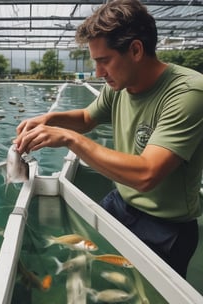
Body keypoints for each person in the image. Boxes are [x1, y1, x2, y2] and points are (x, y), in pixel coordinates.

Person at [14, 0, 203, 279]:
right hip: (120, 201)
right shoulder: (121, 84)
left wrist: (69, 139)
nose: (99, 73)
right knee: (92, 268)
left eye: (104, 61)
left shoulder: (188, 92)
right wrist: (49, 120)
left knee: (146, 294)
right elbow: (88, 119)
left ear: (136, 50)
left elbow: (147, 174)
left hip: (166, 226)